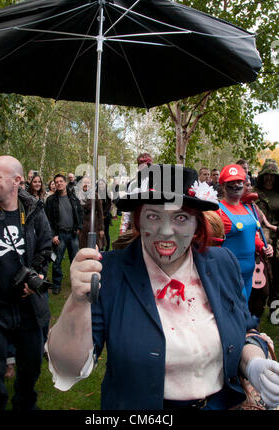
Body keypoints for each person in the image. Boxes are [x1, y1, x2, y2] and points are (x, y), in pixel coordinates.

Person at [47, 164, 279, 410]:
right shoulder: (109, 273)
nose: (166, 232)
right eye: (153, 216)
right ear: (138, 221)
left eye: (180, 217)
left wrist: (253, 364)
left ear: (197, 224)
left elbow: (243, 330)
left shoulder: (222, 263)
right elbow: (69, 367)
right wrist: (77, 301)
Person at [0, 155, 53, 410]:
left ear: (16, 181)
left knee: (30, 370)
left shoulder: (34, 209)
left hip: (28, 308)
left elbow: (46, 247)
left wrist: (38, 274)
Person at [217, 164, 273, 302]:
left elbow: (253, 234)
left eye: (239, 182)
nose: (236, 186)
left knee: (244, 309)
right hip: (230, 274)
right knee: (235, 311)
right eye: (231, 182)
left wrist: (263, 247)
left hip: (249, 272)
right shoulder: (217, 211)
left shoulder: (249, 208)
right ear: (223, 186)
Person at [45, 173, 83, 295]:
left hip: (72, 235)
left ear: (65, 183)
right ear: (54, 185)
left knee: (76, 261)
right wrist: (53, 235)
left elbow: (80, 213)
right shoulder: (51, 200)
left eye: (61, 181)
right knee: (57, 261)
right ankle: (56, 285)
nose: (59, 183)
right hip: (59, 236)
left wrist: (79, 227)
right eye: (56, 182)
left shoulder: (73, 197)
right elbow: (47, 219)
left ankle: (76, 283)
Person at [254, 160, 279, 320]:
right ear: (262, 176)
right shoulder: (255, 193)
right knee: (264, 275)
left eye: (273, 176)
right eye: (266, 175)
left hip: (278, 236)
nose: (269, 179)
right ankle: (257, 308)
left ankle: (275, 309)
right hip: (262, 238)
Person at [75, 175, 104, 250]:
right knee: (83, 249)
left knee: (94, 248)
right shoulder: (78, 196)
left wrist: (101, 228)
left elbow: (100, 213)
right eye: (84, 182)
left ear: (91, 184)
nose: (86, 184)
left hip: (93, 225)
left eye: (88, 182)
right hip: (82, 226)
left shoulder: (96, 195)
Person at [96, 179, 112, 251]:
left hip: (106, 216)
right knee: (99, 232)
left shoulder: (107, 193)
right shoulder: (96, 193)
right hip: (98, 216)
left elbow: (109, 205)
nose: (101, 185)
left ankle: (107, 248)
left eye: (102, 184)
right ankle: (101, 247)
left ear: (105, 185)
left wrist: (104, 214)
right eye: (99, 184)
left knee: (106, 232)